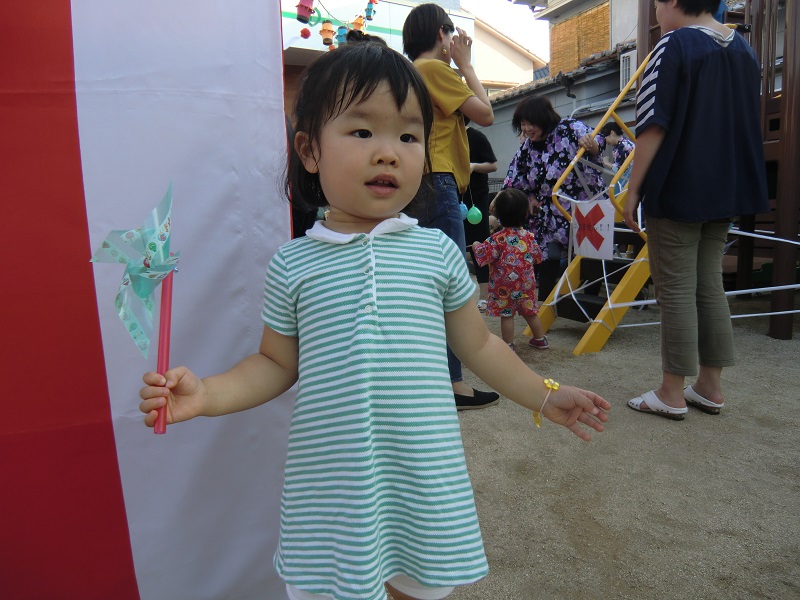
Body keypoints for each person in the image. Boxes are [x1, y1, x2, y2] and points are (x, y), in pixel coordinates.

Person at [139, 43, 610, 600]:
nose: (388, 153)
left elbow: (481, 346)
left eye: (408, 137)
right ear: (309, 151)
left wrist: (543, 394)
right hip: (333, 486)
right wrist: (207, 394)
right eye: (362, 132)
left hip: (421, 477)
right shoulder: (293, 263)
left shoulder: (436, 252)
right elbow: (274, 364)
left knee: (419, 585)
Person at [623, 0, 768, 420]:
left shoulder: (674, 45)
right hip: (727, 185)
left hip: (679, 181)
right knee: (709, 283)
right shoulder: (743, 49)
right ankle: (709, 385)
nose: (655, 12)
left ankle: (671, 391)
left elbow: (653, 123)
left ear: (672, 1)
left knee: (674, 288)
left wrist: (634, 189)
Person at [402, 3, 499, 410]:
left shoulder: (409, 72)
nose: (456, 40)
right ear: (440, 34)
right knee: (451, 285)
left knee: (423, 283)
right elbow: (486, 114)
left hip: (418, 182)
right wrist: (466, 64)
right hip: (438, 181)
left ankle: (429, 376)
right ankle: (453, 383)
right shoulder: (434, 69)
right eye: (451, 32)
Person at [502, 96, 606, 302]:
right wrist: (530, 197)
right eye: (523, 124)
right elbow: (516, 177)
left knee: (590, 254)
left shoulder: (569, 127)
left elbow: (597, 141)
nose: (527, 129)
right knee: (549, 254)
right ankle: (544, 304)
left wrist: (591, 144)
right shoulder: (527, 148)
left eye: (531, 123)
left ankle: (591, 304)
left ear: (543, 118)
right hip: (551, 211)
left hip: (586, 203)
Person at [472, 188, 547, 352]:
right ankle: (540, 339)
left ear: (497, 214)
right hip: (526, 283)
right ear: (525, 214)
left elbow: (483, 256)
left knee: (506, 314)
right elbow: (538, 258)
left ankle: (508, 344)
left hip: (504, 286)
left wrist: (477, 245)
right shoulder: (529, 237)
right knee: (530, 311)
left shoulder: (496, 239)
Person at [462, 117, 498, 312]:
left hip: (476, 198)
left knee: (479, 244)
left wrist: (474, 166)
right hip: (453, 197)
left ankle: (484, 295)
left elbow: (493, 165)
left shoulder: (475, 136)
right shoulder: (443, 137)